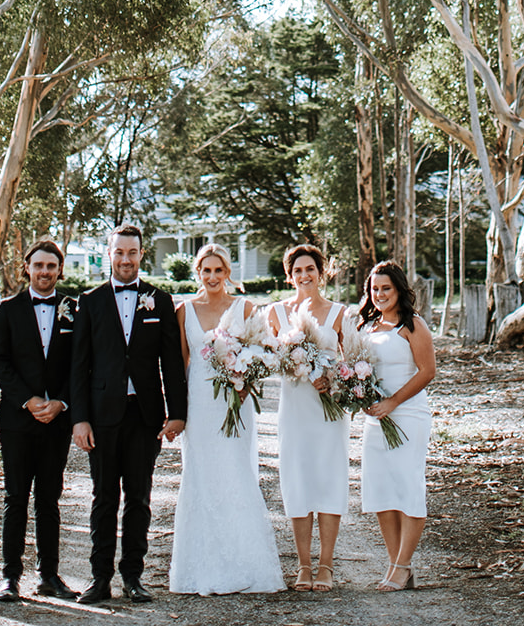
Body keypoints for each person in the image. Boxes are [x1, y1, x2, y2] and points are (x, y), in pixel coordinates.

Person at [70, 223, 187, 604]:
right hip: (102, 416)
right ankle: (100, 577)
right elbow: (79, 366)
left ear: (142, 254)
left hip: (144, 416)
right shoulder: (89, 301)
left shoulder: (160, 300)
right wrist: (80, 418)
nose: (125, 259)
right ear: (109, 254)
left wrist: (177, 413)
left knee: (139, 498)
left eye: (132, 253)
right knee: (103, 498)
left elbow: (171, 362)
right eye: (119, 252)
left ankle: (133, 577)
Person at [168, 244, 283, 595]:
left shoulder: (245, 307)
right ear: (197, 272)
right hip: (199, 404)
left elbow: (264, 353)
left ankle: (244, 565)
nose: (213, 277)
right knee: (200, 476)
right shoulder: (183, 310)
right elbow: (180, 365)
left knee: (235, 473)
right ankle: (198, 567)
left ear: (227, 272)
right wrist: (177, 413)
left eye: (219, 271)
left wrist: (244, 382)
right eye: (206, 271)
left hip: (235, 402)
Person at [0, 238, 77, 602]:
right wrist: (28, 400)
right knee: (15, 497)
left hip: (56, 420)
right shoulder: (6, 309)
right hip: (17, 420)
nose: (45, 272)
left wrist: (61, 402)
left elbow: (80, 363)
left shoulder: (74, 309)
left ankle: (49, 575)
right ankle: (10, 577)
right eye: (38, 266)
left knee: (49, 499)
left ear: (59, 270)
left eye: (51, 266)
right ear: (27, 267)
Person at [267, 243, 350, 594]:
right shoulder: (274, 313)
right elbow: (267, 360)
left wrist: (330, 377)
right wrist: (290, 362)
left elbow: (353, 364)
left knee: (329, 480)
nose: (304, 275)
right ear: (289, 276)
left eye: (310, 269)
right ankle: (303, 565)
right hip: (295, 409)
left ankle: (327, 565)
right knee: (297, 480)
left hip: (328, 410)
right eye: (297, 270)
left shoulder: (340, 314)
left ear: (321, 272)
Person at [356, 259, 436, 592]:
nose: (379, 294)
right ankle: (395, 565)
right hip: (377, 420)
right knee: (382, 491)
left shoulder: (412, 325)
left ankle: (403, 566)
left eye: (385, 288)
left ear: (399, 289)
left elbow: (427, 371)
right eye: (374, 289)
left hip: (408, 416)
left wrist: (393, 402)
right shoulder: (367, 328)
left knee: (407, 488)